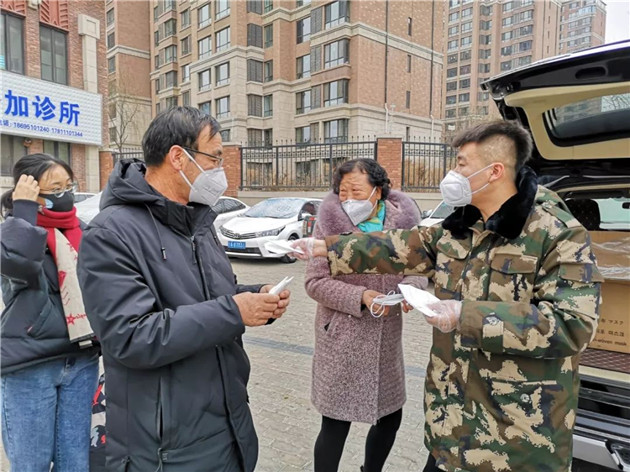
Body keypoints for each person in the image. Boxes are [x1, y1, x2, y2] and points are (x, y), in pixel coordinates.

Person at [292, 121, 602, 472]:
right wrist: (324, 246)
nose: (452, 174)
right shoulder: (461, 227)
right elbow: (401, 245)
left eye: (461, 164)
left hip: (514, 433)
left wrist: (463, 315)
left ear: (494, 171)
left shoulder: (557, 234)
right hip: (452, 421)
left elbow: (572, 325)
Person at [77, 106, 291, 472]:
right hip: (167, 445)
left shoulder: (197, 221)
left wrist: (257, 296)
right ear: (178, 157)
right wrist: (235, 311)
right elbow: (131, 337)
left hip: (228, 422)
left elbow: (211, 294)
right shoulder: (111, 233)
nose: (220, 170)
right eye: (214, 158)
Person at [306, 159, 428, 472]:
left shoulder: (403, 225)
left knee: (390, 418)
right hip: (342, 338)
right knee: (335, 424)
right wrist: (360, 296)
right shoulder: (328, 224)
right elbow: (315, 282)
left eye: (356, 191)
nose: (348, 199)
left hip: (386, 336)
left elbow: (417, 269)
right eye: (342, 191)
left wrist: (411, 290)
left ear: (378, 191)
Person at [1, 154, 100, 472]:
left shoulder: (82, 230)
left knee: (76, 463)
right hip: (31, 365)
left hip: (81, 359)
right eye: (55, 189)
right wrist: (24, 212)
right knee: (31, 464)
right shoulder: (13, 235)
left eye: (68, 186)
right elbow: (18, 266)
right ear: (30, 192)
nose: (65, 195)